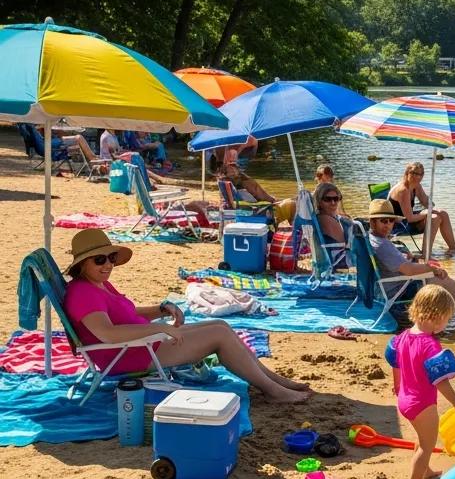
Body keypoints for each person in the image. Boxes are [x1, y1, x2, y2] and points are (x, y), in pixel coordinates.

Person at [62, 229, 310, 403]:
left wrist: (161, 309)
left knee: (221, 326)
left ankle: (274, 381)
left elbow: (126, 313)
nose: (108, 265)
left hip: (140, 345)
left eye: (111, 258)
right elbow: (108, 333)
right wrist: (159, 329)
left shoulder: (98, 283)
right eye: (99, 260)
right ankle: (273, 391)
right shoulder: (83, 293)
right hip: (128, 355)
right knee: (218, 336)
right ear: (82, 264)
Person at [366, 200, 455, 323]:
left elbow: (395, 263)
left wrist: (408, 258)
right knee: (444, 280)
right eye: (383, 221)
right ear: (373, 222)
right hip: (397, 290)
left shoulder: (373, 239)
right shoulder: (382, 244)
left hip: (387, 285)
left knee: (443, 279)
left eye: (391, 221)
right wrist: (431, 269)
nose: (388, 225)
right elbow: (408, 270)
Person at [384, 285, 455, 479]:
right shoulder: (430, 346)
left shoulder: (403, 336)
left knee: (422, 439)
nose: (447, 323)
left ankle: (427, 470)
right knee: (427, 445)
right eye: (447, 319)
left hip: (405, 399)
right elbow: (440, 381)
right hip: (422, 403)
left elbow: (395, 363)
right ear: (436, 316)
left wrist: (397, 384)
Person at [388, 162, 455, 253]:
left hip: (407, 218)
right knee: (434, 218)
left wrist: (432, 206)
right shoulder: (403, 190)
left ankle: (453, 248)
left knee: (443, 213)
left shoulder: (416, 186)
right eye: (414, 173)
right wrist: (426, 213)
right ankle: (425, 253)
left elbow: (426, 202)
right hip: (397, 223)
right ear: (407, 173)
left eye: (421, 174)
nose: (418, 177)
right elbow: (410, 219)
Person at [221, 161, 294, 224]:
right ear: (239, 172)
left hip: (245, 211)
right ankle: (295, 229)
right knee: (292, 203)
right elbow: (263, 197)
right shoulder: (246, 182)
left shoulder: (226, 186)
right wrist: (274, 200)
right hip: (261, 211)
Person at [312, 181, 351, 269]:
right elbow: (345, 244)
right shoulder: (326, 219)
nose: (333, 202)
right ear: (319, 201)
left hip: (328, 258)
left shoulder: (318, 217)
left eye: (336, 198)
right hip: (339, 261)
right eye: (327, 199)